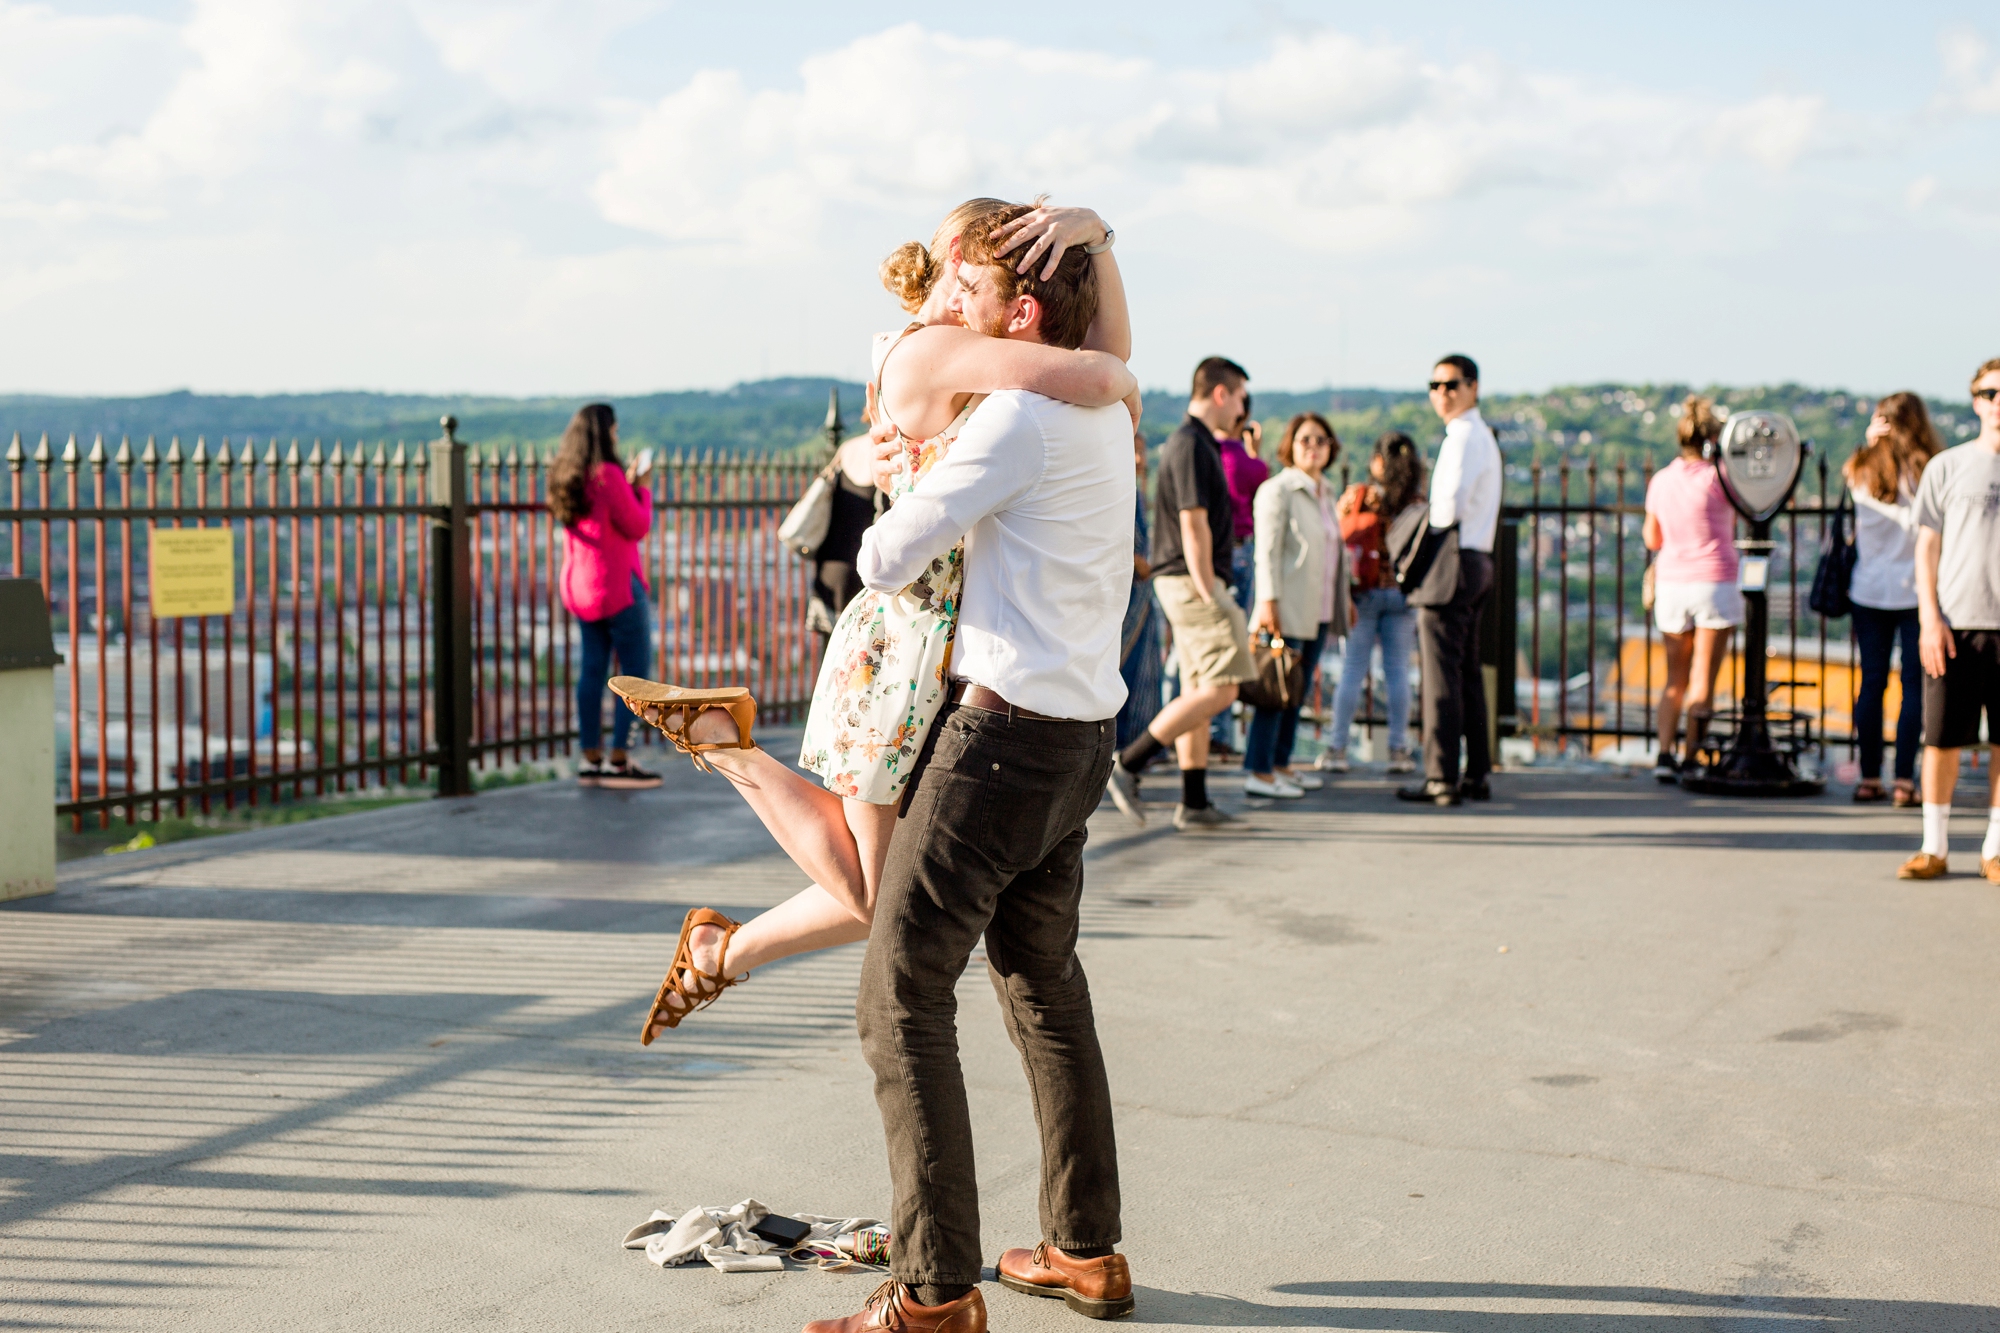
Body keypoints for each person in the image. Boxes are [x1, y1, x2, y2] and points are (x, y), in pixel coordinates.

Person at [611, 198, 1136, 1041]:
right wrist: (1118, 366)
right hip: (906, 639)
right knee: (874, 897)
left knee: (877, 896)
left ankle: (718, 952)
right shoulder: (936, 348)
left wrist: (1094, 235)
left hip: (941, 642)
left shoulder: (955, 347)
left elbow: (1081, 361)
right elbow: (1102, 371)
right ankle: (724, 746)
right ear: (963, 258)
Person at [801, 201, 1138, 1333]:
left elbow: (885, 557)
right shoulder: (1091, 405)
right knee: (1044, 987)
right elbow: (1107, 366)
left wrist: (913, 468)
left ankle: (934, 1293)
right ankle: (1084, 1250)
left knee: (897, 995)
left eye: (975, 297)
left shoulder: (1019, 420)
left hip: (996, 745)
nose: (957, 315)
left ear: (1023, 312)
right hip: (1082, 739)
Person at [1105, 357, 1258, 831]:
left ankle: (1193, 801)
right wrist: (1210, 589)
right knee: (1223, 685)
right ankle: (1130, 762)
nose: (1242, 407)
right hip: (1194, 582)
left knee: (1197, 686)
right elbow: (1193, 523)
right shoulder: (1192, 444)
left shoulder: (1194, 443)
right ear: (1220, 394)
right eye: (1240, 397)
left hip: (1182, 580)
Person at [1898, 357, 2000, 883]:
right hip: (1956, 622)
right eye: (1989, 393)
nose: (1998, 403)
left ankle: (1995, 847)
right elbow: (1927, 548)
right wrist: (1928, 618)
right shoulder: (1948, 466)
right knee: (1940, 737)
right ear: (1975, 400)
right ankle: (1933, 846)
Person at [1398, 355, 1501, 807]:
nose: (1442, 393)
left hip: (1453, 562)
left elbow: (1446, 510)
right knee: (1466, 673)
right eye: (1435, 385)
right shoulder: (1483, 436)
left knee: (1442, 675)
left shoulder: (1461, 438)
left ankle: (1441, 776)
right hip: (1478, 558)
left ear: (1472, 387)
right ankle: (1476, 772)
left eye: (1451, 384)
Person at [551, 403, 663, 789]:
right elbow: (637, 524)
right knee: (634, 675)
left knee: (592, 669)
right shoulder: (608, 474)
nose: (617, 436)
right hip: (617, 586)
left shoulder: (569, 475)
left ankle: (589, 757)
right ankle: (619, 759)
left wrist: (626, 486)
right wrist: (643, 489)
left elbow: (602, 516)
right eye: (614, 431)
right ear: (605, 433)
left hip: (581, 588)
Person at [1244, 413, 1348, 797]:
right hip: (1286, 607)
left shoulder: (1326, 492)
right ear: (1291, 444)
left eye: (1321, 440)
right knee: (1275, 691)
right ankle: (1259, 770)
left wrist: (1343, 600)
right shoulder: (1279, 489)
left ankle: (1281, 764)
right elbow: (1266, 552)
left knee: (1296, 692)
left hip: (1317, 609)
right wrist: (1268, 603)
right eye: (1305, 439)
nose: (1314, 446)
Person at [1846, 392, 1941, 805]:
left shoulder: (1860, 468)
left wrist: (1869, 444)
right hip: (1916, 590)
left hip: (1869, 588)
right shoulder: (1926, 470)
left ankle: (1870, 775)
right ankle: (1905, 779)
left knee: (1871, 683)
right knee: (1913, 689)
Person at [1642, 396, 1738, 784]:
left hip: (1672, 582)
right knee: (1703, 679)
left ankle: (1664, 753)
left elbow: (1652, 536)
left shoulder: (1662, 480)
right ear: (1714, 439)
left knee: (1674, 679)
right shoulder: (1720, 478)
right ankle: (1691, 754)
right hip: (1713, 580)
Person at [1323, 432, 1423, 775]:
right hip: (1402, 593)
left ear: (1378, 462)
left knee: (1353, 671)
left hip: (1361, 593)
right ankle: (1398, 750)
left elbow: (1337, 537)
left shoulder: (1359, 497)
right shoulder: (1415, 501)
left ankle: (1337, 747)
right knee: (1397, 673)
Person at [807, 425, 885, 638]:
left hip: (831, 560)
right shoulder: (885, 453)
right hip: (865, 565)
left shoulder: (846, 448)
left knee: (831, 650)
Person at [1117, 427, 1164, 751]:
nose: (1137, 458)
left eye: (1141, 451)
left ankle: (1138, 744)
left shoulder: (1137, 490)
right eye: (1131, 449)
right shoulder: (1118, 489)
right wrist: (1137, 561)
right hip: (1125, 592)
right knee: (1122, 668)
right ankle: (1122, 744)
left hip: (1142, 595)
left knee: (1145, 669)